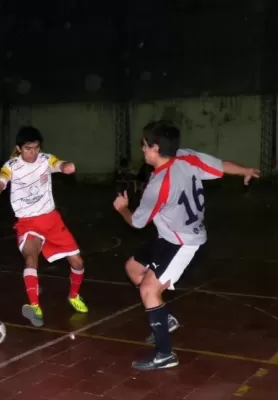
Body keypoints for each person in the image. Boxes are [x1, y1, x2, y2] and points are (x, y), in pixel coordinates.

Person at [113, 120, 259, 371]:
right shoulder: (187, 157)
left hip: (183, 242)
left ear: (156, 148)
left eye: (145, 146)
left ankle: (165, 354)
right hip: (168, 236)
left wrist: (122, 208)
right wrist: (244, 170)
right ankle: (164, 318)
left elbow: (137, 223)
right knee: (133, 268)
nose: (143, 150)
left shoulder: (159, 184)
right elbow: (221, 166)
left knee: (149, 290)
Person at [0, 126, 88, 327]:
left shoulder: (46, 159)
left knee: (78, 262)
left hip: (51, 220)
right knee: (30, 256)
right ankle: (35, 306)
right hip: (27, 222)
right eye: (28, 149)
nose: (33, 152)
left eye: (36, 148)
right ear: (18, 148)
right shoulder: (10, 166)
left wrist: (67, 166)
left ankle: (73, 295)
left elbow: (61, 164)